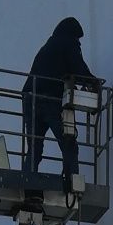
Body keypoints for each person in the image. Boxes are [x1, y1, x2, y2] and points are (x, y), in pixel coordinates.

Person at [22, 16, 98, 177]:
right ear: (73, 34)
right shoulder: (68, 43)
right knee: (68, 142)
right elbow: (78, 68)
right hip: (50, 97)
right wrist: (94, 83)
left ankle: (27, 179)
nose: (78, 42)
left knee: (34, 148)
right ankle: (71, 181)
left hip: (30, 97)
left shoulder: (48, 47)